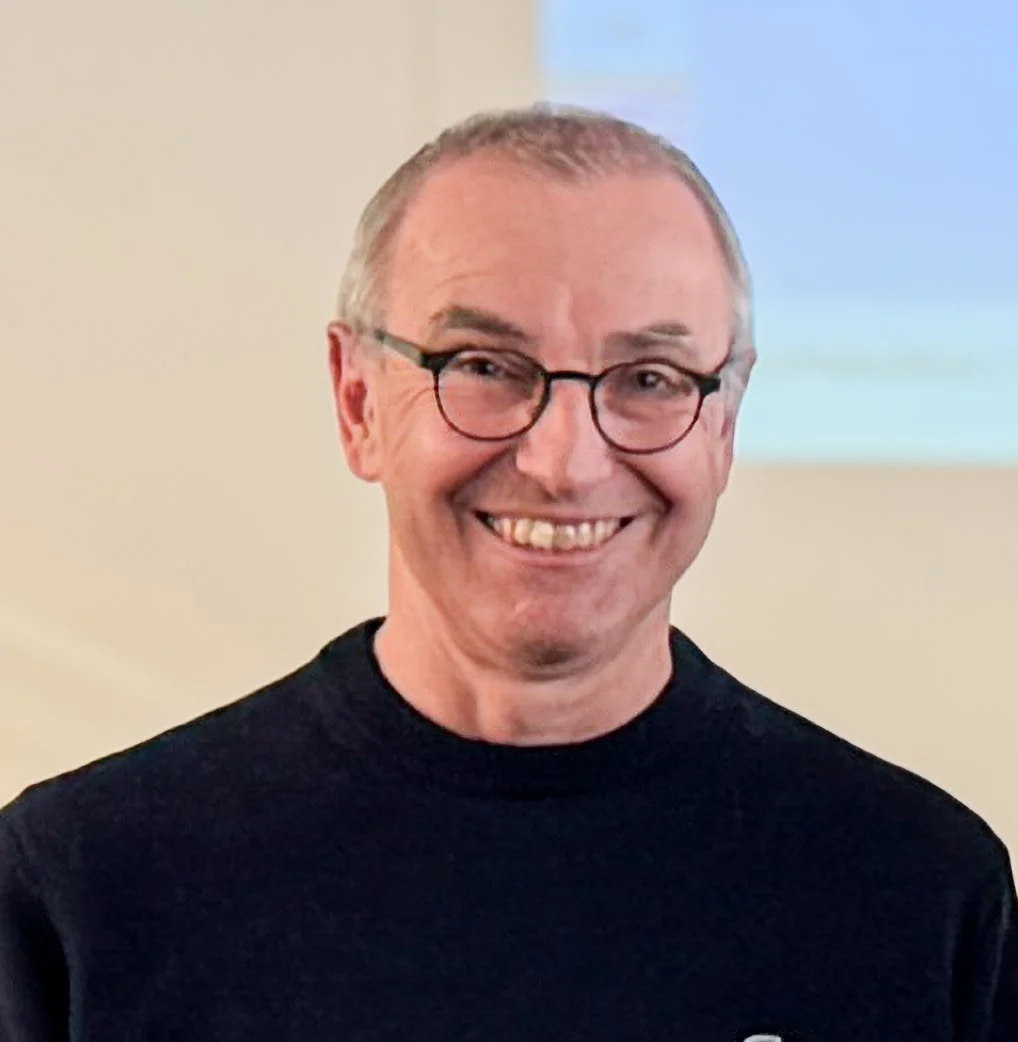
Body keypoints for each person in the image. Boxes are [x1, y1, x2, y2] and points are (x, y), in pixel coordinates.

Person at [0, 105, 1014, 1042]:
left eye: (650, 379)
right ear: (358, 401)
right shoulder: (84, 890)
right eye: (483, 367)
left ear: (724, 426)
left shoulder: (918, 893)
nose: (565, 461)